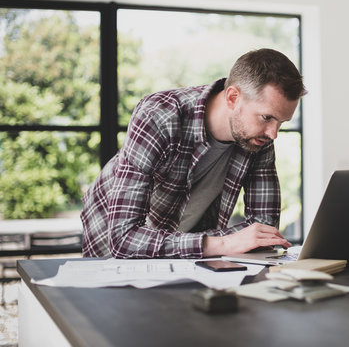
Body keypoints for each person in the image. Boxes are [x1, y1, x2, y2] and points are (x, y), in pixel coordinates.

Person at [81, 48, 307, 259]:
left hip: (186, 249)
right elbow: (124, 238)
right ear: (232, 98)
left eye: (281, 122)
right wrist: (225, 243)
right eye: (267, 117)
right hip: (108, 238)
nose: (274, 134)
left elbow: (264, 228)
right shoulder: (160, 115)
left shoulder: (258, 137)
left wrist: (219, 242)